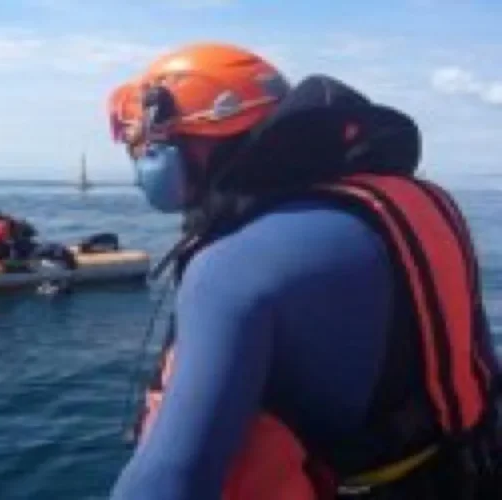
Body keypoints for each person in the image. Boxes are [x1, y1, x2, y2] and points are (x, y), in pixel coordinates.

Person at [107, 43, 502, 499]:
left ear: (189, 138)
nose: (142, 160)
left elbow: (171, 481)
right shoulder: (427, 204)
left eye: (145, 145)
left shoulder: (231, 266)